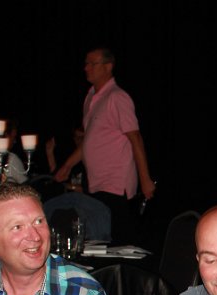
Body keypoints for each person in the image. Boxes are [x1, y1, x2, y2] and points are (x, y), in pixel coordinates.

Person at [53, 47, 154, 242]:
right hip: (95, 184)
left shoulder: (117, 97)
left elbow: (135, 138)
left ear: (108, 66)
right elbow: (90, 141)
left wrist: (145, 179)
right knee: (98, 240)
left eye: (93, 64)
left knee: (118, 241)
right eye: (86, 64)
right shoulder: (91, 97)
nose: (86, 68)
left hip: (115, 184)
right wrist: (67, 165)